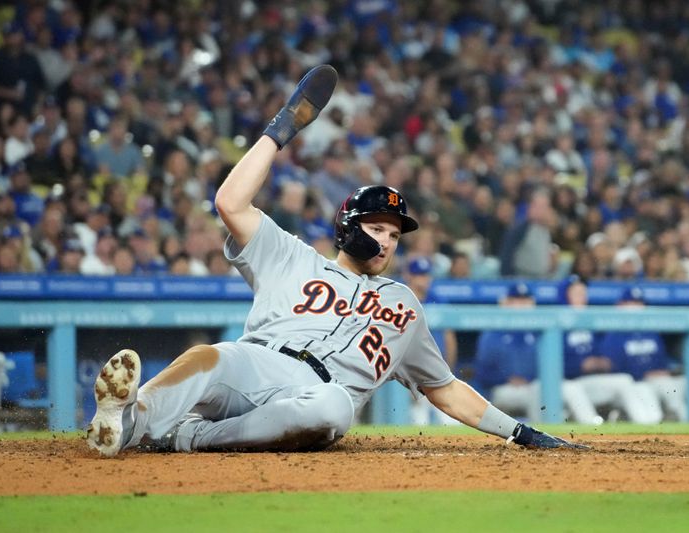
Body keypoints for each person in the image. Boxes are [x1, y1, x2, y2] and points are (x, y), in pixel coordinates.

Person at [86, 65, 586, 457]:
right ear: (348, 227)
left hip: (319, 395)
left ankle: (188, 438)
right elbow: (229, 203)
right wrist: (280, 130)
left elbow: (446, 389)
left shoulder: (403, 305)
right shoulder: (291, 256)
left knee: (331, 407)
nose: (387, 241)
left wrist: (519, 432)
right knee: (208, 357)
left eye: (394, 234)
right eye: (376, 228)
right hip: (259, 364)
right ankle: (128, 419)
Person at [474, 282, 603, 424]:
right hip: (504, 389)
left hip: (536, 384)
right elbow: (482, 373)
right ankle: (542, 433)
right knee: (537, 389)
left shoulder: (539, 331)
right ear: (506, 303)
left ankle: (592, 427)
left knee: (571, 387)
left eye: (525, 300)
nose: (521, 305)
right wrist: (505, 378)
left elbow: (556, 366)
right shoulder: (493, 333)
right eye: (516, 300)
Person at [563, 277, 663, 423]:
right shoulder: (559, 324)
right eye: (576, 293)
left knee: (626, 381)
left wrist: (601, 362)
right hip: (566, 382)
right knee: (573, 389)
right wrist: (579, 365)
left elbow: (608, 357)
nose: (581, 297)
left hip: (593, 380)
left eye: (583, 293)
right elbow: (552, 364)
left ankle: (648, 425)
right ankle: (593, 429)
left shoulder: (592, 322)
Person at [598, 287, 688, 421]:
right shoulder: (613, 333)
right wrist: (644, 374)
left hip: (658, 380)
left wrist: (665, 372)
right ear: (620, 305)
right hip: (635, 383)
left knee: (686, 385)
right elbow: (613, 367)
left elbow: (661, 361)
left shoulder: (651, 332)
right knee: (653, 395)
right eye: (631, 303)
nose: (637, 307)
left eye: (639, 303)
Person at [402, 256, 459, 426]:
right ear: (408, 276)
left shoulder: (438, 299)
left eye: (426, 275)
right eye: (419, 275)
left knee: (452, 423)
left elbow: (449, 338)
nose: (424, 279)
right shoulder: (400, 299)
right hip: (409, 375)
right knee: (418, 421)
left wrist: (448, 369)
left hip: (437, 372)